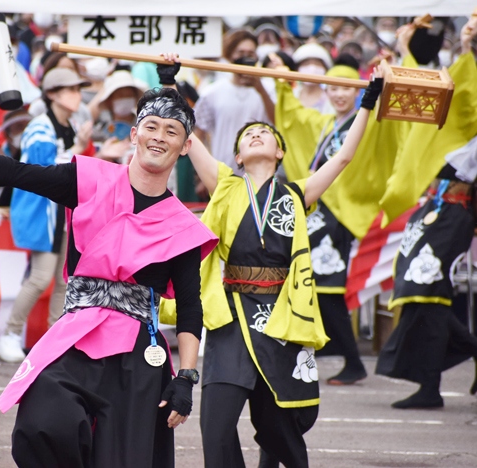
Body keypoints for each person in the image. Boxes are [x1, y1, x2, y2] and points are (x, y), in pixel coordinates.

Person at [0, 86, 218, 467]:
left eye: (172, 131)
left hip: (137, 357)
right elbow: (16, 172)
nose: (159, 136)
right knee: (44, 424)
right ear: (133, 134)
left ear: (186, 146)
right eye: (151, 126)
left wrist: (187, 378)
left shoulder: (181, 227)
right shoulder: (90, 180)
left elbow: (191, 307)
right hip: (77, 337)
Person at [160, 54, 384, 467]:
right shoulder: (225, 185)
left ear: (280, 152)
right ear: (239, 157)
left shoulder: (296, 194)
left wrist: (368, 99)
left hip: (282, 318)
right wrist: (170, 82)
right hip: (231, 317)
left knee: (278, 428)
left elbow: (343, 157)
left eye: (266, 133)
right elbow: (189, 135)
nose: (258, 135)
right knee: (216, 427)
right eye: (249, 135)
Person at [271, 53, 408, 386]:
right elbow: (293, 117)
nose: (339, 94)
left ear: (358, 91)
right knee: (311, 284)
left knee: (326, 288)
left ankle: (350, 360)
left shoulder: (369, 122)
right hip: (322, 213)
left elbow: (389, 124)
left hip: (342, 214)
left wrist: (377, 90)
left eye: (347, 88)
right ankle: (329, 355)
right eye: (333, 87)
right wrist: (282, 81)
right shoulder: (326, 124)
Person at [375, 17, 477, 410]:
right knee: (414, 287)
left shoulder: (466, 97)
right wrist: (404, 51)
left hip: (454, 207)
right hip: (433, 207)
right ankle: (460, 356)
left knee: (428, 290)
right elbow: (419, 86)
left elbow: (462, 86)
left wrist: (468, 46)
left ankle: (430, 386)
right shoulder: (447, 90)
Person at [0, 68, 92, 362]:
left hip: (64, 214)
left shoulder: (71, 124)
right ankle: (10, 334)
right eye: (71, 89)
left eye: (78, 89)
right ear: (52, 95)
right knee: (40, 278)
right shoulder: (40, 127)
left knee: (64, 280)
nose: (77, 94)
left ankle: (54, 336)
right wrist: (79, 147)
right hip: (43, 213)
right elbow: (46, 170)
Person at [193, 32, 274, 174]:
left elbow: (278, 120)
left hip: (262, 174)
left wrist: (260, 89)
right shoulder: (212, 92)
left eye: (250, 53)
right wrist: (203, 172)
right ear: (230, 56)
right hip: (223, 174)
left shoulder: (269, 88)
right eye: (240, 52)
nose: (245, 57)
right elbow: (198, 134)